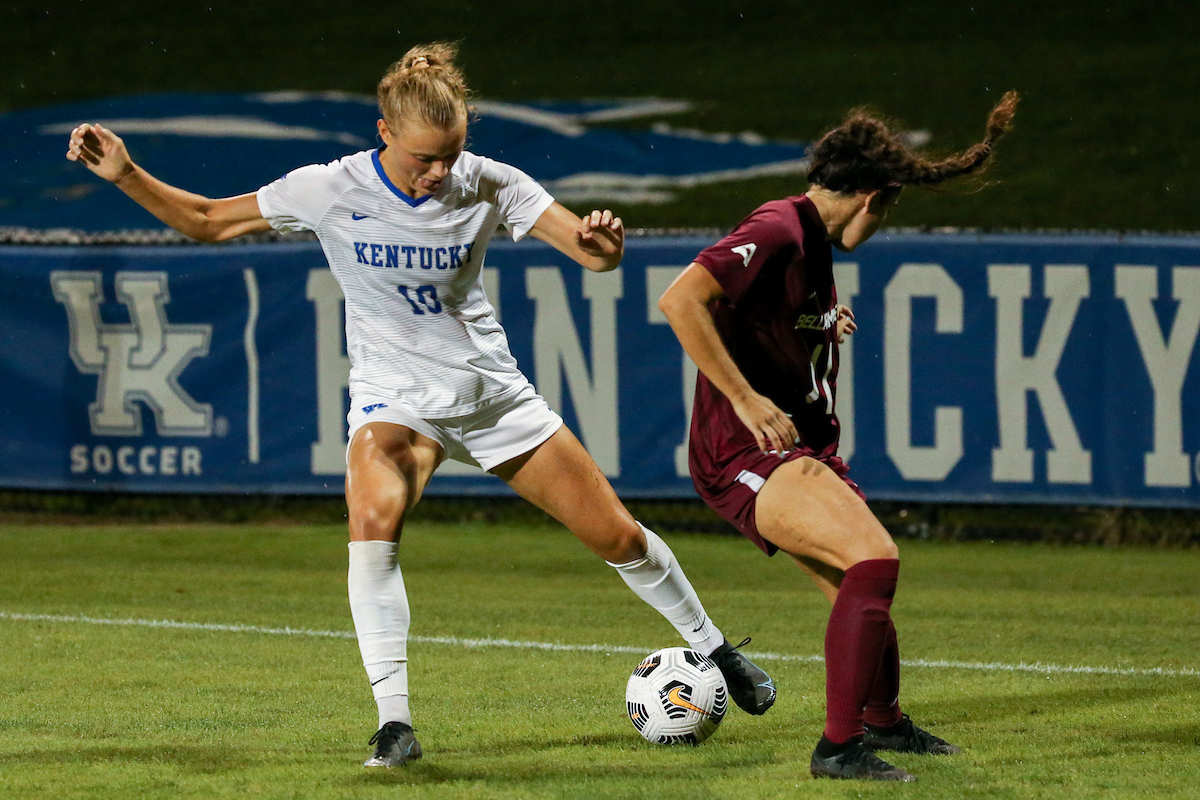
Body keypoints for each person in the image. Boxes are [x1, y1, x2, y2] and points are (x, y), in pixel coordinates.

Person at [65, 42, 775, 767]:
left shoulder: (489, 182)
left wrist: (607, 242)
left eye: (451, 155)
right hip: (396, 398)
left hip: (491, 397)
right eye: (424, 159)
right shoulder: (330, 188)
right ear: (384, 133)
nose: (439, 172)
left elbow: (592, 254)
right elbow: (208, 220)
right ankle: (394, 725)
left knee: (617, 537)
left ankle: (716, 650)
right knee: (373, 522)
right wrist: (126, 174)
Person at [658, 91, 1019, 782]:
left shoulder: (810, 248)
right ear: (873, 197)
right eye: (889, 208)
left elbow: (768, 321)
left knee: (857, 585)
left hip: (798, 447)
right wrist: (745, 399)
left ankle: (883, 722)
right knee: (873, 560)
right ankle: (837, 749)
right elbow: (681, 300)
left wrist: (824, 326)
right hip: (744, 451)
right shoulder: (780, 226)